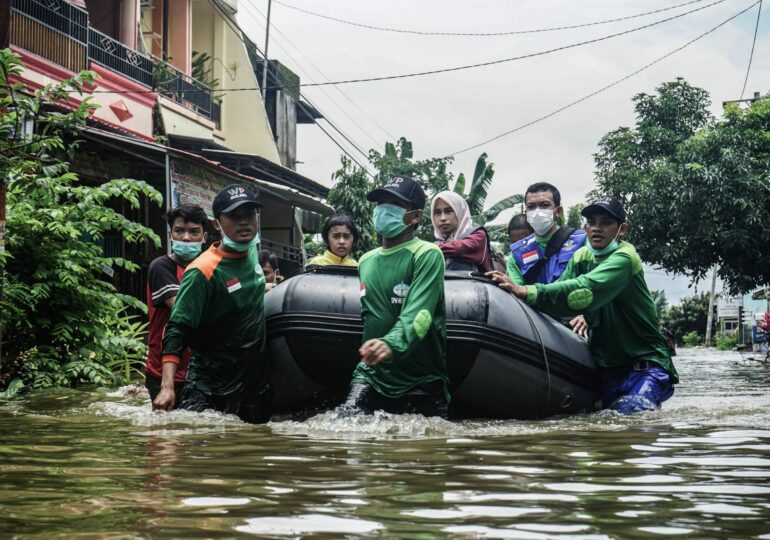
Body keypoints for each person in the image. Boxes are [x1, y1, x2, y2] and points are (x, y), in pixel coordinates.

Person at [489, 197, 679, 414]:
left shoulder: (625, 258)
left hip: (646, 367)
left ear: (622, 229)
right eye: (592, 222)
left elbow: (585, 286)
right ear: (585, 227)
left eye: (606, 223)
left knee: (630, 416)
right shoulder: (582, 257)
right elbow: (559, 293)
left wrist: (525, 290)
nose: (597, 228)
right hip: (608, 371)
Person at [157, 184, 270, 423]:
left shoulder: (252, 253)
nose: (244, 222)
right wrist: (167, 387)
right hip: (210, 387)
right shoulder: (202, 271)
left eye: (249, 214)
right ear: (217, 224)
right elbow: (177, 329)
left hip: (251, 383)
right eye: (234, 216)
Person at [343, 175, 450, 418]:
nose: (383, 210)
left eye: (394, 204)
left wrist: (391, 344)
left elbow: (420, 314)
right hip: (372, 372)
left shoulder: (426, 254)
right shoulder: (365, 261)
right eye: (380, 203)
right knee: (346, 429)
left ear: (416, 216)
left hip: (420, 377)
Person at [145, 204, 208, 409]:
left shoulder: (208, 269)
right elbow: (183, 309)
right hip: (164, 373)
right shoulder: (162, 267)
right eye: (179, 231)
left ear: (204, 237)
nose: (186, 238)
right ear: (171, 234)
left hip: (199, 370)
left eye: (194, 232)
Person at [507, 182, 586, 286]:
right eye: (531, 206)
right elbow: (516, 293)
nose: (537, 212)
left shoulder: (581, 241)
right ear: (526, 212)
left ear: (558, 211)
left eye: (545, 205)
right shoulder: (517, 254)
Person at [430, 190, 493, 272]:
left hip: (474, 284)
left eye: (448, 211)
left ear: (460, 211)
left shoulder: (478, 235)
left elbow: (459, 249)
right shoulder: (441, 241)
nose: (443, 218)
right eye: (437, 213)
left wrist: (432, 247)